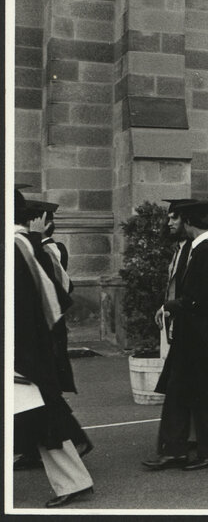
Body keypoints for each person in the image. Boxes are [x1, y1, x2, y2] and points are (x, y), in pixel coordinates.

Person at [143, 199, 208, 472]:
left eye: (176, 218)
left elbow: (201, 298)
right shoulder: (197, 249)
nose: (171, 224)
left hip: (203, 338)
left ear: (188, 221)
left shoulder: (207, 250)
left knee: (201, 394)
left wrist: (170, 306)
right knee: (178, 392)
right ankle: (174, 450)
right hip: (192, 336)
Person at [13, 188, 95, 507]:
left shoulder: (22, 246)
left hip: (23, 349)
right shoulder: (24, 245)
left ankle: (74, 476)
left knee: (44, 413)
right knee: (42, 414)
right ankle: (74, 474)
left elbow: (56, 296)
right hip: (28, 348)